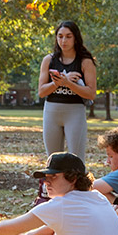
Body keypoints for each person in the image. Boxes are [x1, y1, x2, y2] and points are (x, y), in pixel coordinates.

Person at [38, 21, 97, 161]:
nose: (63, 40)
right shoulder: (48, 60)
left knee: (76, 160)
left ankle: (79, 183)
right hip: (51, 112)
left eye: (68, 36)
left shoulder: (85, 61)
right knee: (53, 160)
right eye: (60, 36)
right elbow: (41, 92)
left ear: (76, 38)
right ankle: (52, 184)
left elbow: (91, 93)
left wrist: (68, 83)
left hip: (74, 113)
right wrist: (58, 82)